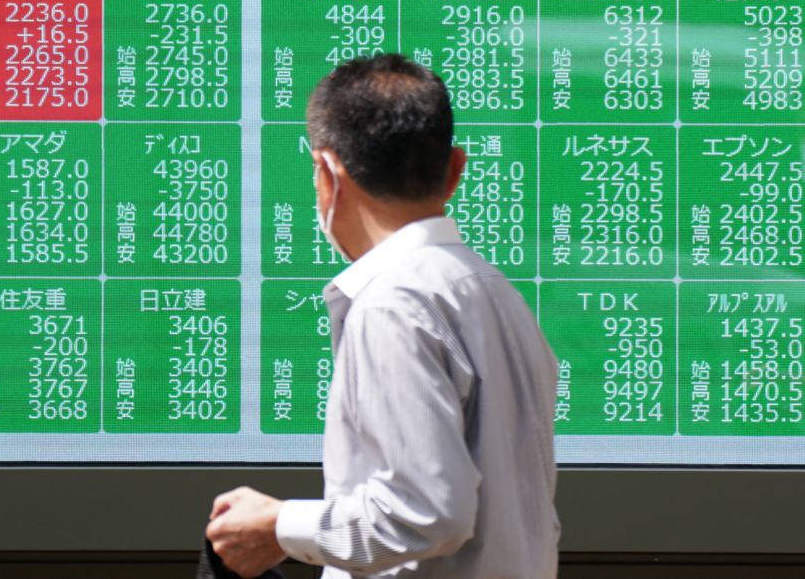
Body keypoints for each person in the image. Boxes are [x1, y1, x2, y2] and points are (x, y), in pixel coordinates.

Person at [206, 54, 560, 579]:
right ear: (455, 169)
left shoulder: (393, 303)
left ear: (327, 174)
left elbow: (427, 514)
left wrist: (278, 526)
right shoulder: (494, 291)